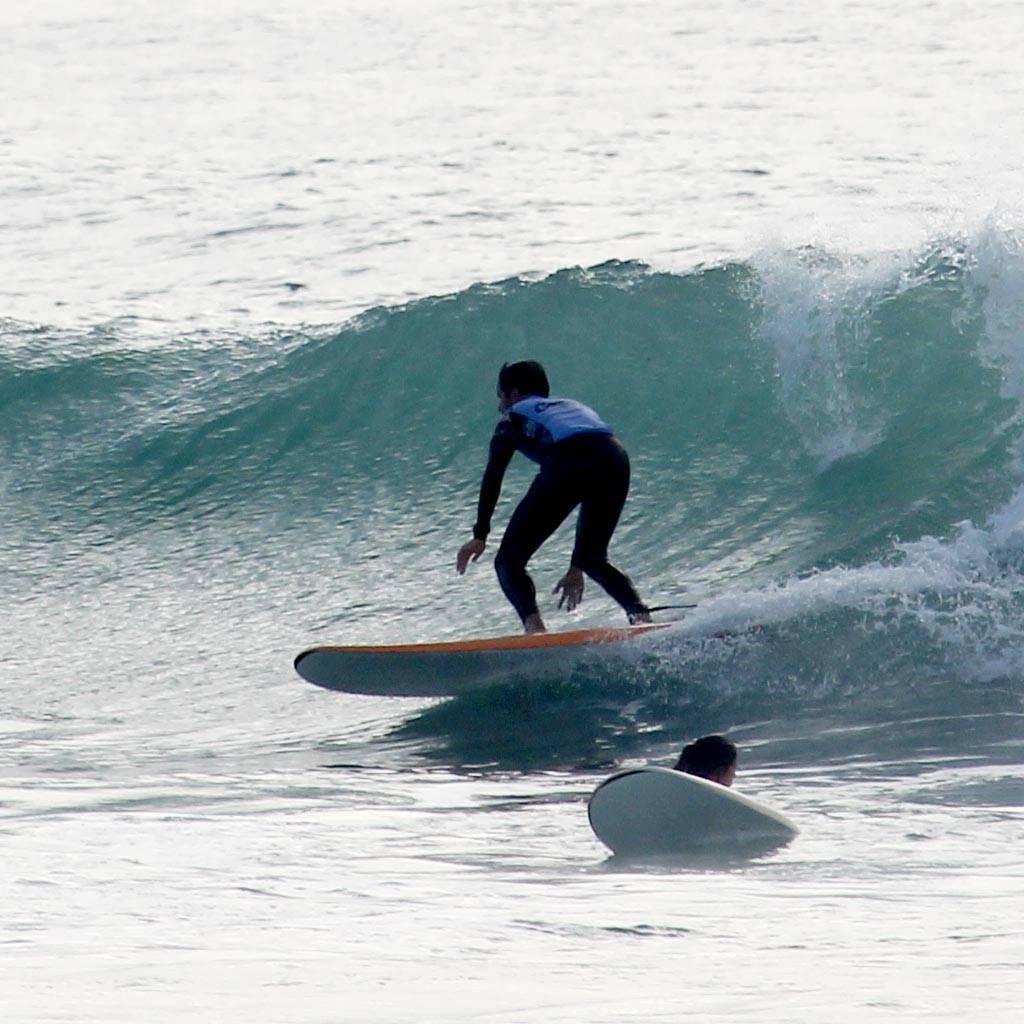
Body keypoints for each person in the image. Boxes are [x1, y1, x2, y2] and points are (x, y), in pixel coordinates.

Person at [456, 360, 649, 634]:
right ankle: (643, 620)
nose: (500, 406)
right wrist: (577, 565)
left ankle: (536, 631)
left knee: (508, 561)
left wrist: (480, 535)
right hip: (615, 458)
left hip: (569, 459)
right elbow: (590, 469)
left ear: (514, 393)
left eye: (501, 396)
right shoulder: (571, 407)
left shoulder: (513, 418)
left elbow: (493, 476)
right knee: (594, 558)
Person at [673, 735, 738, 787]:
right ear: (722, 771)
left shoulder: (673, 792)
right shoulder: (719, 801)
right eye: (733, 769)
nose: (734, 775)